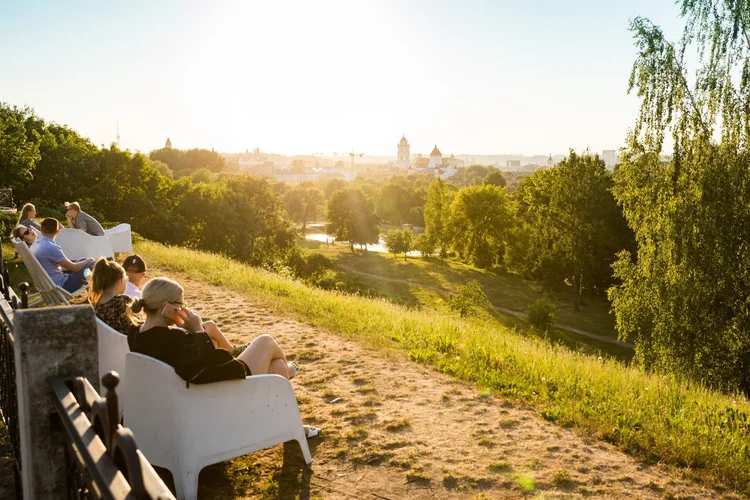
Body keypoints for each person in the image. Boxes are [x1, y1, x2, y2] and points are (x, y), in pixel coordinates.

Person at [128, 277, 320, 437]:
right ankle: (289, 401)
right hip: (215, 400)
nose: (184, 309)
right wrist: (197, 330)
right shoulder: (174, 339)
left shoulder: (135, 334)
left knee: (276, 366)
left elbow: (194, 363)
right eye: (180, 305)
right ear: (167, 307)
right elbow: (212, 361)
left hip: (183, 403)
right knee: (266, 341)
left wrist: (196, 336)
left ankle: (289, 425)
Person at [31, 218, 95, 293]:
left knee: (83, 259)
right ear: (58, 231)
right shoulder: (52, 248)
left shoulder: (35, 245)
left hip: (49, 283)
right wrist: (89, 260)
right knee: (92, 263)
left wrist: (85, 261)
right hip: (62, 286)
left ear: (41, 230)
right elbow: (74, 268)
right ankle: (98, 291)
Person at [88, 258, 140, 334]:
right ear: (121, 280)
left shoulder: (95, 305)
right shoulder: (123, 301)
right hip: (123, 344)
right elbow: (135, 328)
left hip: (104, 344)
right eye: (126, 279)